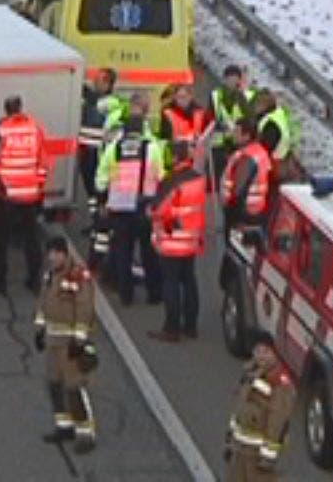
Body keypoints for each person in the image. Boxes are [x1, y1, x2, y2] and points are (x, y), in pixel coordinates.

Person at [34, 236, 98, 451]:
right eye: (49, 253)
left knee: (74, 388)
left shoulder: (77, 275)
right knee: (54, 384)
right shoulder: (50, 275)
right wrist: (40, 328)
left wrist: (80, 339)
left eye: (55, 253)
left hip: (69, 343)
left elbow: (85, 307)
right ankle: (64, 426)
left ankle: (85, 434)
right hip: (53, 340)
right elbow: (44, 302)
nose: (52, 257)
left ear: (64, 253)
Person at [0, 95, 51, 297]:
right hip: (30, 194)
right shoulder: (34, 130)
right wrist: (37, 186)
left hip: (6, 195)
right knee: (32, 239)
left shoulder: (0, 132)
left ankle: (0, 281)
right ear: (20, 108)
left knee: (0, 240)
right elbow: (43, 163)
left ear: (6, 110)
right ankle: (34, 280)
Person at [95, 101, 161, 306]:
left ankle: (126, 295)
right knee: (148, 253)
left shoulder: (114, 148)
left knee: (123, 252)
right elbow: (160, 176)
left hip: (120, 207)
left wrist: (103, 199)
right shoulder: (151, 148)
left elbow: (101, 179)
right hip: (144, 206)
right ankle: (154, 294)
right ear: (142, 129)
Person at [150, 141, 208, 342]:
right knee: (189, 281)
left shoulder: (172, 181)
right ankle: (191, 326)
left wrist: (151, 212)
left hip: (172, 240)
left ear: (175, 157)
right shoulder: (199, 179)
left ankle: (171, 328)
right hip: (191, 240)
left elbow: (158, 210)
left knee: (171, 284)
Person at [226, 330, 296, 480]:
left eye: (266, 351)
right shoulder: (250, 372)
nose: (261, 355)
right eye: (257, 351)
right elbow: (240, 407)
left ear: (274, 353)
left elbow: (277, 420)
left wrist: (268, 457)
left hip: (257, 455)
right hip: (240, 449)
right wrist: (230, 439)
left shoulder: (279, 382)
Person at [220, 119, 275, 231]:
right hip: (257, 209)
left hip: (241, 212)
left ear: (246, 136)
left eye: (236, 132)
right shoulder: (261, 152)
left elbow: (239, 191)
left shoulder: (245, 157)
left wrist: (231, 213)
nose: (233, 135)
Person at [77, 69, 118, 219]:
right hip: (86, 149)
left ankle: (101, 221)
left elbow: (95, 102)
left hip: (98, 151)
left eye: (98, 80)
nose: (95, 82)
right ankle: (95, 220)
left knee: (99, 188)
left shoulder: (110, 102)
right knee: (90, 189)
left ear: (108, 84)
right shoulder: (94, 99)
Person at [209, 65, 251, 180]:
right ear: (225, 79)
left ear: (239, 80)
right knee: (217, 174)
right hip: (219, 140)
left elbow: (249, 118)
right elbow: (210, 118)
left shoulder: (244, 97)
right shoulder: (215, 95)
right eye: (229, 78)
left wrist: (239, 131)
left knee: (234, 174)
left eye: (235, 78)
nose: (232, 81)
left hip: (237, 141)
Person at [250, 91, 299, 174]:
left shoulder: (270, 122)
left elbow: (266, 147)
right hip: (279, 161)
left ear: (263, 105)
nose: (253, 108)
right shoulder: (277, 115)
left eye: (255, 104)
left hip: (274, 164)